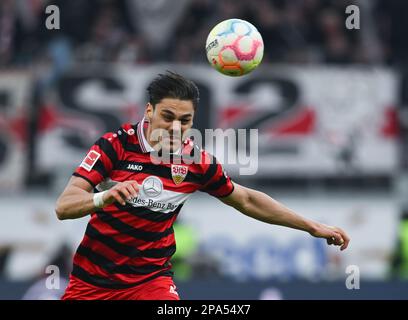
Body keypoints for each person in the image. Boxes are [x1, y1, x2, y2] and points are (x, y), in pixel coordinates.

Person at [56, 71, 350, 300]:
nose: (175, 128)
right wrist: (103, 197)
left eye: (185, 121)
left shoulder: (196, 162)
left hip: (150, 282)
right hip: (91, 282)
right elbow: (64, 206)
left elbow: (246, 199)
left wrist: (311, 226)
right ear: (149, 111)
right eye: (167, 117)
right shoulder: (115, 146)